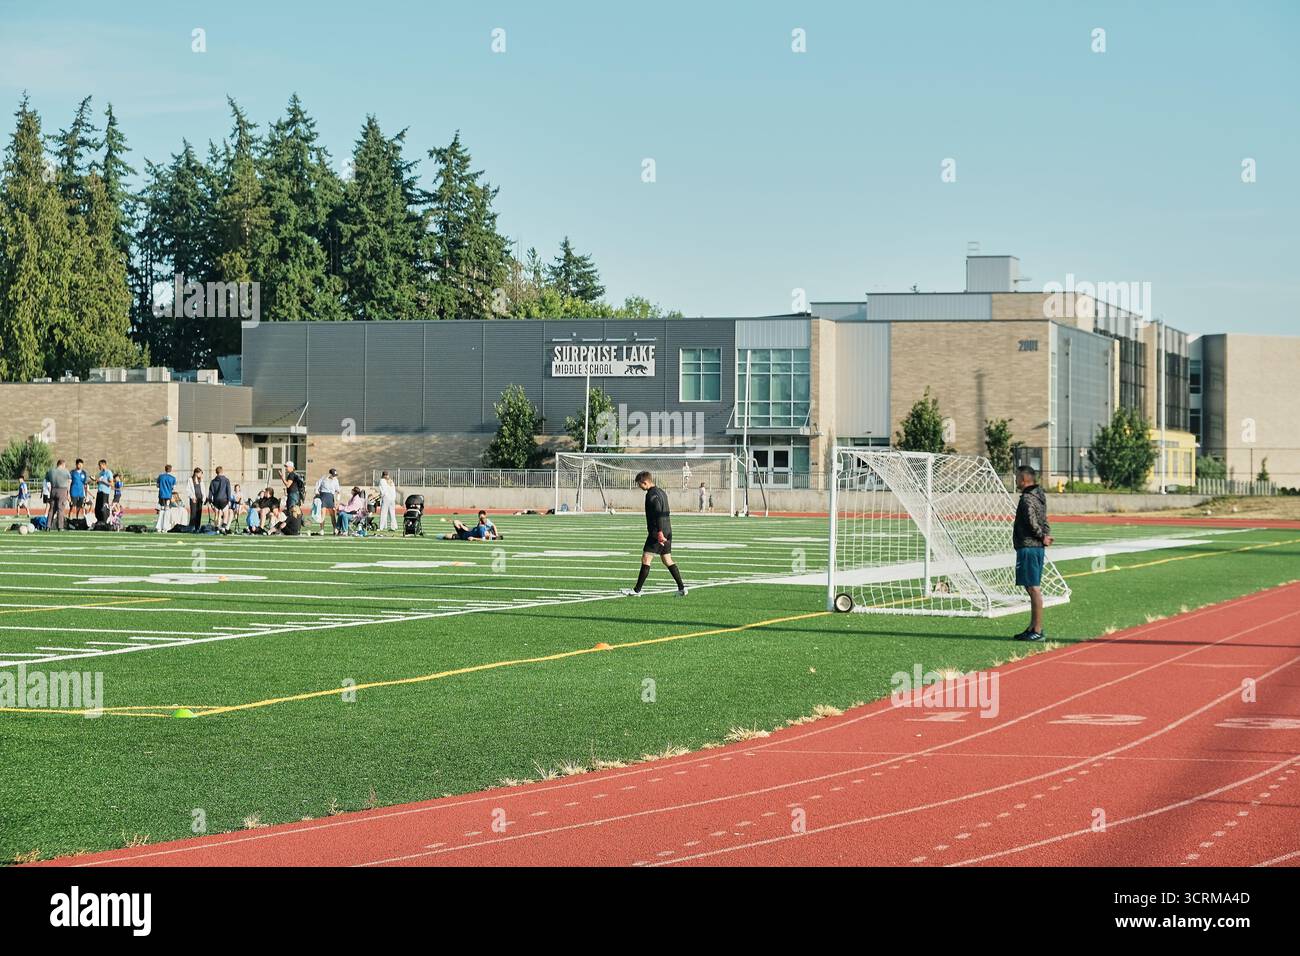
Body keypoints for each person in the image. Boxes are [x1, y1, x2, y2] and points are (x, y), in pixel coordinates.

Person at [621, 471, 687, 597]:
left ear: (645, 482)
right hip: (668, 529)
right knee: (667, 559)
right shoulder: (661, 492)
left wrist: (660, 532)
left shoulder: (651, 495)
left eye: (639, 484)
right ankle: (682, 588)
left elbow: (658, 512)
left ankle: (637, 590)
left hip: (658, 532)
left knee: (646, 558)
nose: (639, 487)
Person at [1012, 465, 1054, 642]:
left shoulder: (1027, 499)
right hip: (1035, 548)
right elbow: (1043, 520)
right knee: (1031, 587)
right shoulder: (1040, 496)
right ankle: (1032, 627)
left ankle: (1036, 629)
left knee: (1033, 588)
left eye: (1017, 478)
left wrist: (1041, 536)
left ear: (1024, 479)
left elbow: (1031, 521)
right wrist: (1045, 534)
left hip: (1029, 547)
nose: (1015, 481)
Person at [315, 468, 340, 534]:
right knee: (322, 514)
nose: (334, 476)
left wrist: (337, 501)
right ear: (330, 474)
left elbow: (338, 491)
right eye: (333, 475)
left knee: (333, 514)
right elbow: (317, 486)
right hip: (323, 496)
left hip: (331, 497)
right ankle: (322, 529)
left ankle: (335, 529)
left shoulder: (335, 480)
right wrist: (316, 493)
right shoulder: (323, 478)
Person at [208, 466, 233, 532]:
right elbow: (228, 490)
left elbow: (210, 491)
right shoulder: (226, 480)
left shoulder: (213, 481)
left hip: (216, 500)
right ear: (222, 471)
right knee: (225, 513)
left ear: (216, 472)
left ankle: (216, 528)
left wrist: (210, 500)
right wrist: (229, 500)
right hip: (224, 499)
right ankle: (224, 527)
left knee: (217, 514)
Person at [50, 459, 71, 531]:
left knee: (52, 509)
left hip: (53, 490)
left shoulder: (51, 471)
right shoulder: (66, 471)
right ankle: (60, 526)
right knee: (60, 509)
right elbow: (69, 482)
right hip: (62, 490)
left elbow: (47, 481)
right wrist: (68, 493)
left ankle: (48, 526)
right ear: (62, 464)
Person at [156, 464, 176, 532]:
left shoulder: (160, 476)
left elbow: (157, 485)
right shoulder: (173, 478)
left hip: (161, 495)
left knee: (161, 510)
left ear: (165, 469)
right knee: (167, 510)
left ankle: (159, 527)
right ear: (171, 469)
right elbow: (173, 488)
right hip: (168, 496)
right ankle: (165, 528)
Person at [94, 459, 113, 526]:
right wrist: (96, 481)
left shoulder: (108, 472)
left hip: (105, 493)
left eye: (100, 465)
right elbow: (99, 482)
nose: (99, 467)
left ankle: (104, 521)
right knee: (97, 508)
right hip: (99, 492)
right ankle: (99, 521)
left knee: (103, 508)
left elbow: (111, 484)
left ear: (103, 465)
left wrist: (103, 481)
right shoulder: (101, 473)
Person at [187, 468, 205, 532]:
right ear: (196, 473)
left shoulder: (201, 480)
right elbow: (188, 490)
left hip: (200, 499)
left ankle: (197, 527)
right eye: (200, 473)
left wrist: (204, 498)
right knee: (193, 513)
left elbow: (203, 490)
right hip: (193, 499)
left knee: (199, 513)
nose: (201, 475)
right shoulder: (190, 480)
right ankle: (192, 527)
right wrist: (192, 497)